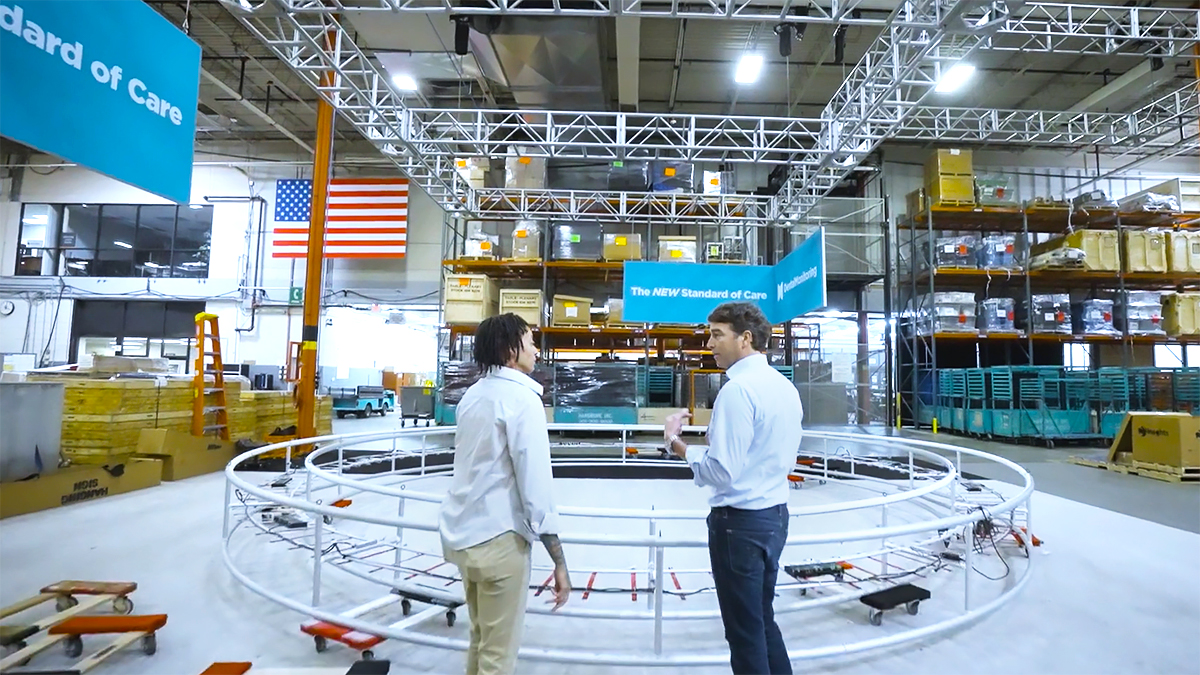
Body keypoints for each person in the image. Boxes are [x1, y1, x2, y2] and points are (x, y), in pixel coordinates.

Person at [663, 302, 803, 675]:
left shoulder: (738, 391)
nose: (709, 343)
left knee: (744, 633)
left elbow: (721, 471)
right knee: (761, 619)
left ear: (745, 338)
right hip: (774, 517)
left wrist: (676, 443)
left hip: (739, 525)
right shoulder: (784, 387)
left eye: (717, 334)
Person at [439, 313, 571, 675]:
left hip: (465, 536)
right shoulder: (522, 400)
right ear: (510, 350)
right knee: (498, 658)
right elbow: (536, 486)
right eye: (530, 342)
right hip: (500, 542)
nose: (536, 350)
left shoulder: (472, 396)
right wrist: (559, 561)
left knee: (481, 640)